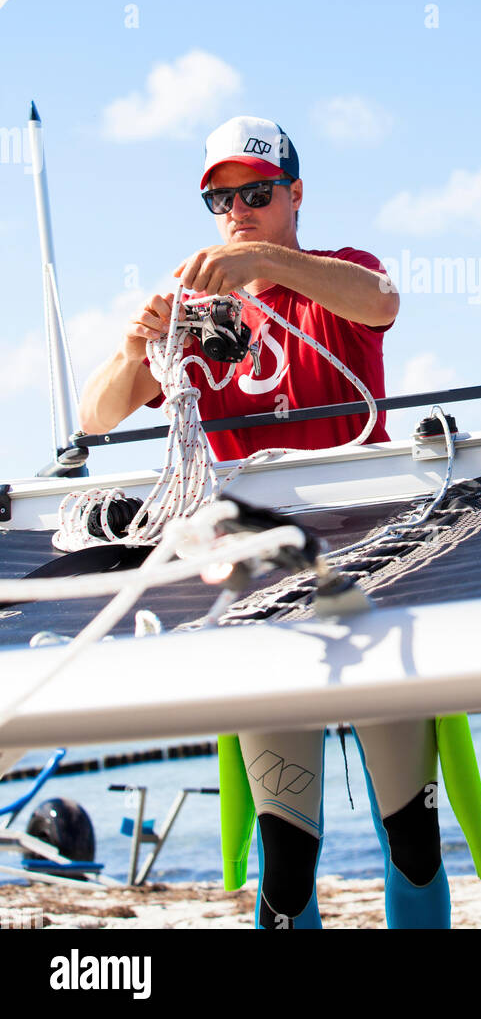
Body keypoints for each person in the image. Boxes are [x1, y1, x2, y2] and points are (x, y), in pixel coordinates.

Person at [79, 114, 453, 929]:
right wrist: (135, 346)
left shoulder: (340, 274)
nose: (236, 210)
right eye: (221, 199)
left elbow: (383, 303)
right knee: (286, 859)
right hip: (260, 589)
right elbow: (97, 415)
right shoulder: (199, 317)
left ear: (294, 194)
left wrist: (262, 263)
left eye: (256, 192)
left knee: (414, 836)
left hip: (373, 575)